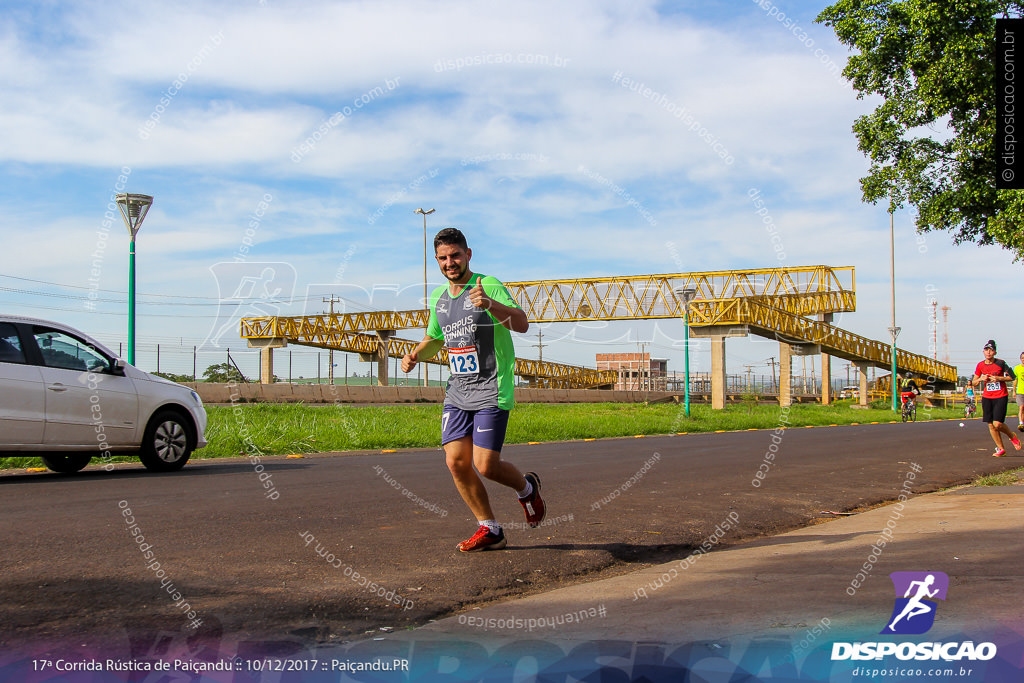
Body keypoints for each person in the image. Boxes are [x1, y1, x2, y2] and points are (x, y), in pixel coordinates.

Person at [401, 227, 545, 552]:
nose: (449, 262)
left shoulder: (487, 284)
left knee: (485, 465)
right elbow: (433, 340)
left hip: (491, 389)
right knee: (455, 462)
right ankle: (490, 528)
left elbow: (521, 324)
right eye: (442, 258)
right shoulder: (440, 300)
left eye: (455, 255)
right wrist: (414, 355)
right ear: (436, 260)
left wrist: (490, 304)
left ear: (468, 254)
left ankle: (526, 489)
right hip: (458, 392)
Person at [971, 340, 1021, 457]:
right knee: (990, 425)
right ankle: (1001, 448)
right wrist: (980, 379)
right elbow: (974, 383)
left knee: (997, 424)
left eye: (991, 350)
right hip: (987, 397)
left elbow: (1012, 377)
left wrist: (998, 378)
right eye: (986, 350)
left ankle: (1012, 436)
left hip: (1001, 396)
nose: (988, 352)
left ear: (995, 352)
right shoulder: (980, 365)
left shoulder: (1001, 363)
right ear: (983, 351)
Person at [1014, 352, 1024, 433]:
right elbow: (1015, 380)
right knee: (1021, 407)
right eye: (1022, 358)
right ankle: (1021, 423)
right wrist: (1014, 391)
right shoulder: (1017, 368)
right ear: (1020, 359)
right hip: (1020, 391)